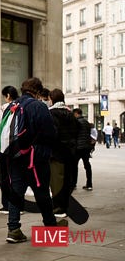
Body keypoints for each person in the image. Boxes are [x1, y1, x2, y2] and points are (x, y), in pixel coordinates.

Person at [2, 77, 67, 243]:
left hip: (14, 156)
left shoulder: (11, 106)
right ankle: (50, 226)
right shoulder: (38, 106)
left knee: (16, 192)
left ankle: (13, 229)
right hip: (35, 157)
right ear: (37, 91)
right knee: (42, 192)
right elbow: (50, 133)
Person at [47, 88, 79, 218]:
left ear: (52, 99)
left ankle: (58, 208)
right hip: (69, 152)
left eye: (49, 99)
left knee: (56, 181)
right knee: (67, 180)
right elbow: (76, 131)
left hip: (56, 152)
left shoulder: (51, 113)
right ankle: (65, 205)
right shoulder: (70, 113)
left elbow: (51, 133)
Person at [0, 85, 19, 214]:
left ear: (7, 96)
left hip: (6, 148)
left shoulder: (2, 108)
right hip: (21, 147)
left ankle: (7, 205)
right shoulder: (24, 106)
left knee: (4, 176)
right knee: (17, 177)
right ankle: (19, 204)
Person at [72, 108, 93, 191]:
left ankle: (73, 184)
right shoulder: (87, 122)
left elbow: (74, 134)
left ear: (77, 114)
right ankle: (89, 184)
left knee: (74, 166)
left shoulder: (76, 122)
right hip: (86, 147)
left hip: (78, 147)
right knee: (87, 165)